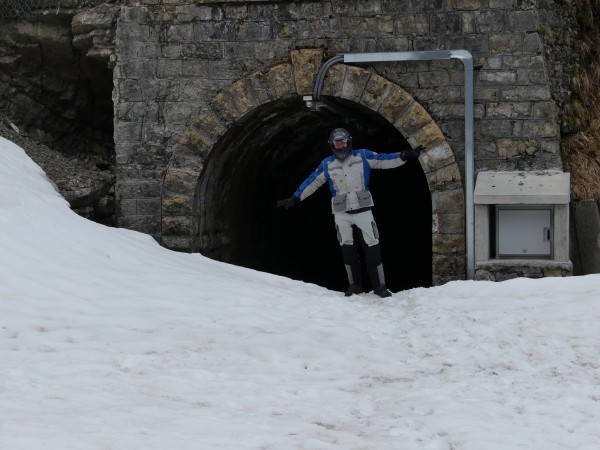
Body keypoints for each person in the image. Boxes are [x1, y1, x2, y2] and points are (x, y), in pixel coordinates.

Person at [277, 127, 423, 298]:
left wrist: (405, 155)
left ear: (349, 142)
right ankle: (354, 286)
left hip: (363, 209)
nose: (341, 146)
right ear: (332, 145)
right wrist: (295, 198)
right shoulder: (327, 164)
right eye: (337, 143)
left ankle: (380, 287)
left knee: (372, 247)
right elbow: (313, 181)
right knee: (347, 249)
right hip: (341, 213)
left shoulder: (362, 156)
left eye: (343, 142)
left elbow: (383, 160)